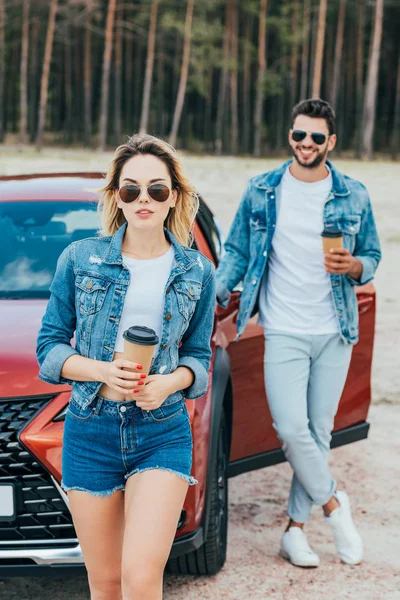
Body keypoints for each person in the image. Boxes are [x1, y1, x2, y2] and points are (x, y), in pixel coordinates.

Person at [36, 134, 216, 599]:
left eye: (156, 189)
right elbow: (49, 349)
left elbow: (199, 357)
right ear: (117, 194)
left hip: (162, 430)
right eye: (131, 188)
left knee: (140, 577)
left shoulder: (196, 270)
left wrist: (169, 382)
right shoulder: (80, 259)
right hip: (90, 430)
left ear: (172, 196)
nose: (143, 199)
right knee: (107, 583)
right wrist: (101, 371)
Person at [216, 99, 381, 568]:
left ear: (331, 142)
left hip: (334, 330)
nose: (304, 144)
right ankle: (333, 506)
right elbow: (235, 253)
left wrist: (354, 266)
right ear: (290, 136)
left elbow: (372, 254)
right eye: (297, 135)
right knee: (290, 429)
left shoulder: (355, 194)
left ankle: (295, 530)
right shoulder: (262, 190)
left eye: (314, 137)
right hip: (283, 329)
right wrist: (212, 298)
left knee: (318, 432)